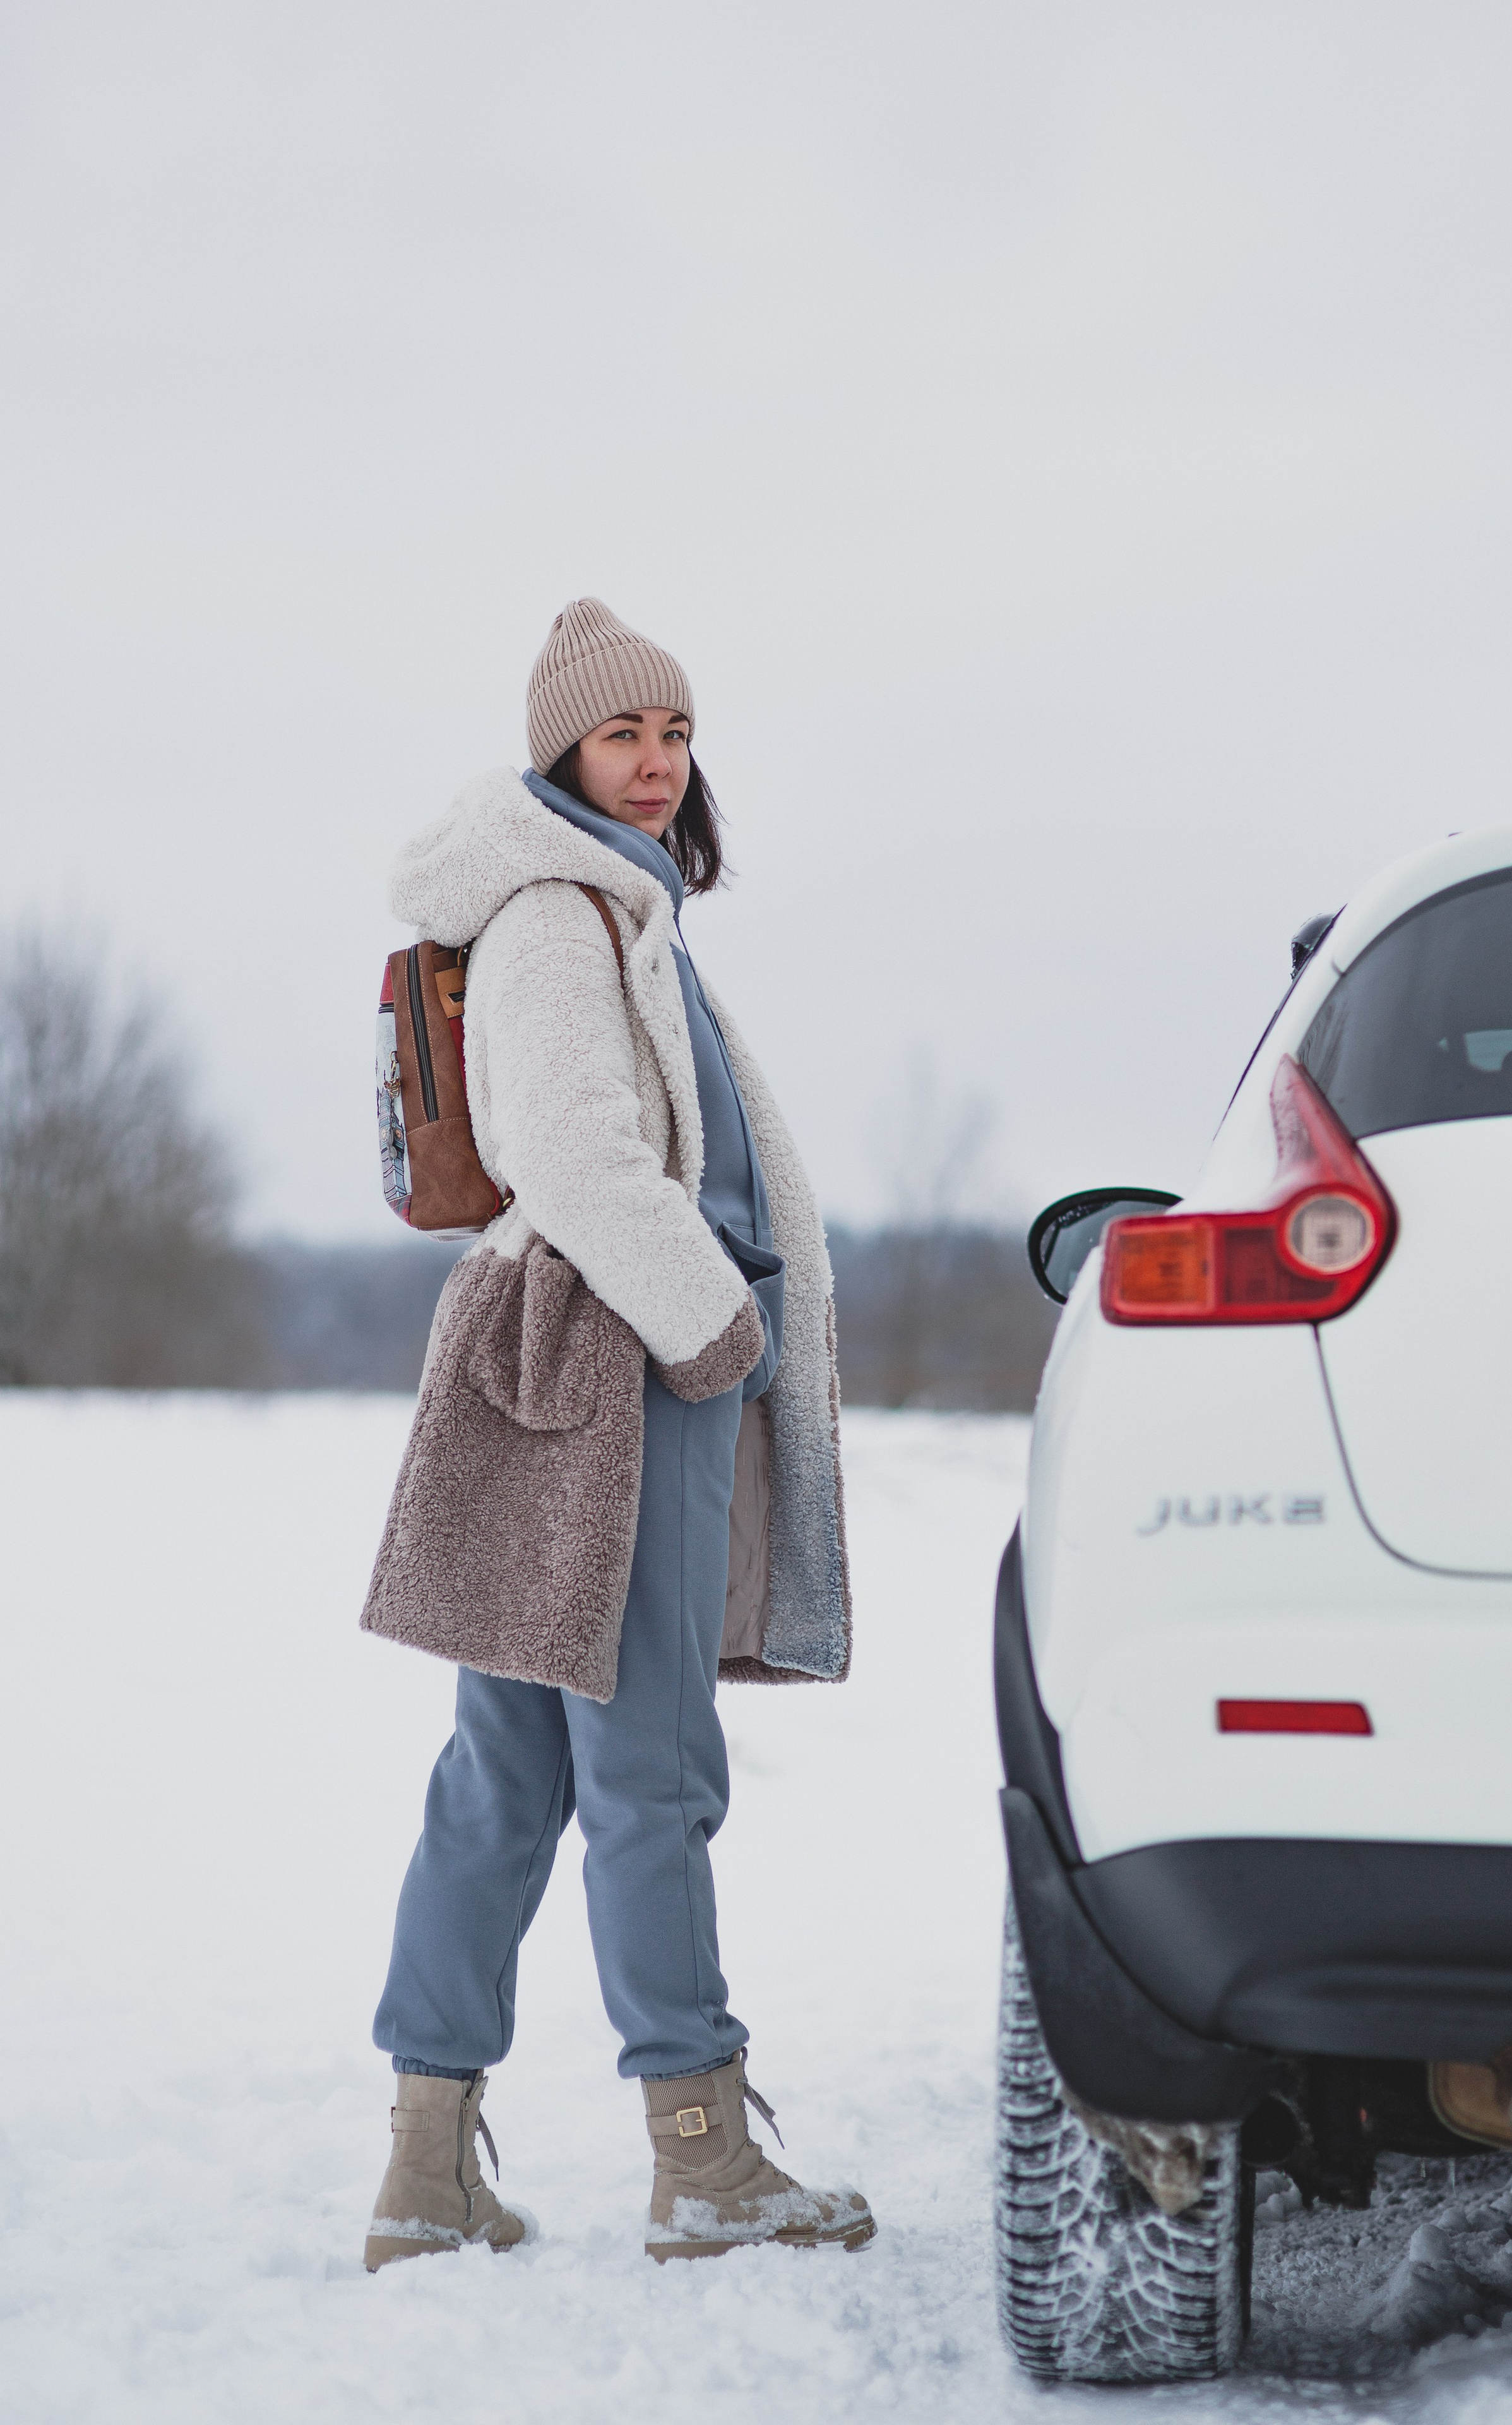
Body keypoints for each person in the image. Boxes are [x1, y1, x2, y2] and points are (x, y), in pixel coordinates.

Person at [359, 597, 872, 2270]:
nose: (654, 764)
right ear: (560, 754)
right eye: (620, 736)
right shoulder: (560, 919)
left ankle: (426, 2172)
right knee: (647, 1771)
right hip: (626, 1370)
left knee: (505, 1778)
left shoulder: (604, 908)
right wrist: (716, 1332)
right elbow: (578, 1158)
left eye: (674, 735)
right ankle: (701, 2156)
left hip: (564, 1364)